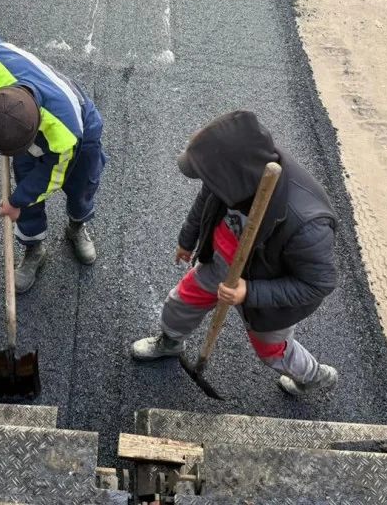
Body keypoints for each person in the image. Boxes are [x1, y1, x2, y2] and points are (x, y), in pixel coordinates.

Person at [130, 111, 338, 396]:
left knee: (271, 351)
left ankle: (314, 376)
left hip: (266, 289)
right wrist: (187, 239)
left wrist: (249, 292)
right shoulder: (231, 174)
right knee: (181, 303)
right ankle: (170, 342)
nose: (206, 183)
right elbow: (206, 200)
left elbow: (318, 284)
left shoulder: (307, 225)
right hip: (220, 263)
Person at [0, 28, 107, 293]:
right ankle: (35, 249)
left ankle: (77, 227)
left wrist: (16, 202)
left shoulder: (66, 133)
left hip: (82, 134)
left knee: (80, 186)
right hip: (16, 121)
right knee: (25, 184)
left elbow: (52, 176)